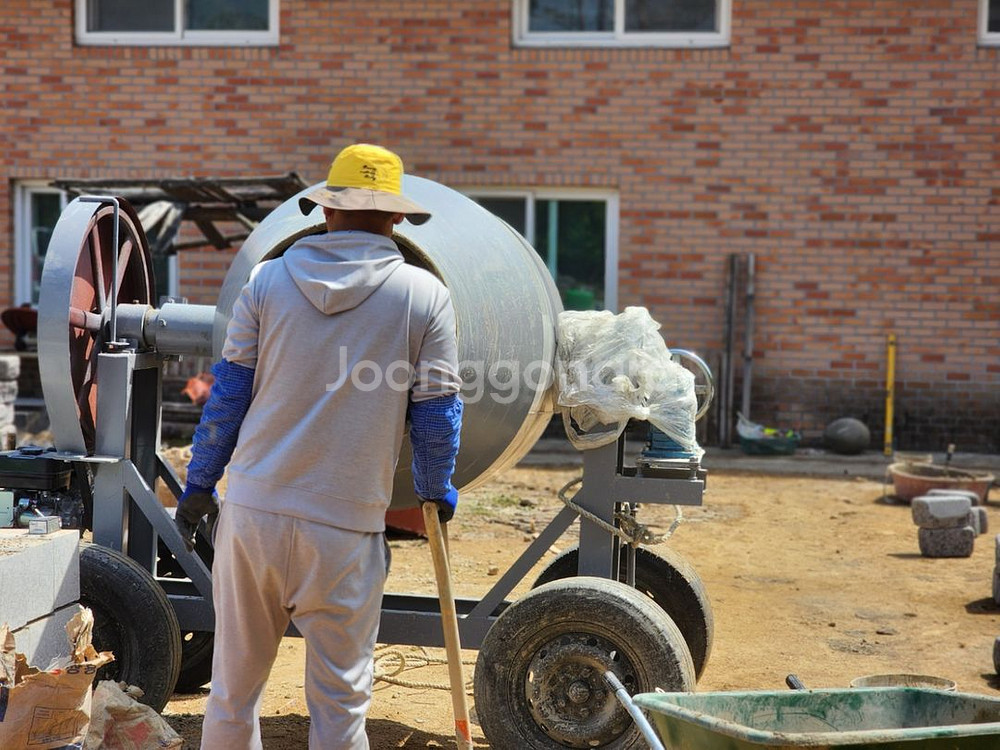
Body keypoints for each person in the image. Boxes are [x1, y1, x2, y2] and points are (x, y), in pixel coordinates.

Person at [174, 143, 463, 749]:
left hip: (253, 513)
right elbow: (437, 414)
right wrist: (437, 491)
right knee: (340, 706)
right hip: (344, 526)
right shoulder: (423, 296)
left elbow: (227, 398)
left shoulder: (266, 281)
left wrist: (200, 483)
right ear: (397, 219)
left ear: (325, 211)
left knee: (230, 693)